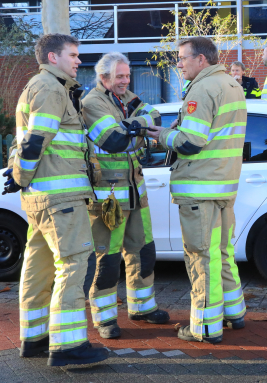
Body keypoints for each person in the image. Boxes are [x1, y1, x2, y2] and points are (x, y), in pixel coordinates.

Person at [4, 34, 108, 366]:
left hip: (41, 198)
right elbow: (35, 142)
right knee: (75, 263)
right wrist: (20, 176)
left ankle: (34, 338)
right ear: (53, 57)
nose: (79, 61)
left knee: (39, 267)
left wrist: (20, 179)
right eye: (73, 55)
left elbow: (23, 142)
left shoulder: (38, 87)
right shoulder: (50, 88)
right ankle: (68, 346)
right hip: (61, 198)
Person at [147, 37, 247, 344]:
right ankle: (234, 313)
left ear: (201, 59)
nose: (179, 64)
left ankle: (204, 327)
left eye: (182, 58)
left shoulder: (203, 89)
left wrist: (162, 135)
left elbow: (191, 142)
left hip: (199, 189)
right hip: (223, 187)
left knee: (201, 257)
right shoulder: (231, 84)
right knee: (222, 253)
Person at [81, 52, 170, 339]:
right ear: (103, 77)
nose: (126, 81)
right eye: (120, 76)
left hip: (136, 192)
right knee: (107, 261)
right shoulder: (93, 103)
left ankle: (142, 308)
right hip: (108, 198)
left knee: (144, 252)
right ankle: (105, 318)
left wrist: (131, 126)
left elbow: (156, 116)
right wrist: (139, 129)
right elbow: (115, 140)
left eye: (127, 75)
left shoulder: (125, 98)